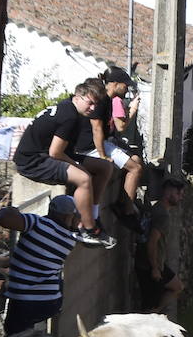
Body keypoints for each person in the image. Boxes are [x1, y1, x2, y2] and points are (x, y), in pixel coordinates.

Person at [11, 80, 116, 248]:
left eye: (95, 105)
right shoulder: (69, 116)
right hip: (33, 160)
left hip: (49, 154)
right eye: (90, 103)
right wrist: (79, 167)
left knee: (105, 167)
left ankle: (93, 216)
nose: (93, 108)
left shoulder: (71, 108)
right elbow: (55, 152)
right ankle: (88, 229)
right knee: (83, 178)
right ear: (77, 97)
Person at [0, 195, 81, 336]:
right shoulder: (70, 240)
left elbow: (4, 218)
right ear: (69, 216)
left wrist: (10, 211)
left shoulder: (37, 223)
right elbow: (33, 257)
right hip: (51, 302)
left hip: (26, 301)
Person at [96, 66, 145, 232]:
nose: (127, 89)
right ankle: (127, 210)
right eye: (125, 85)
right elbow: (119, 126)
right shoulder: (111, 100)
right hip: (100, 145)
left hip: (106, 142)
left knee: (136, 162)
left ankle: (125, 203)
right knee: (136, 168)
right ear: (115, 84)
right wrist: (133, 109)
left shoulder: (110, 99)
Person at [136, 178, 186, 313]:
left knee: (177, 286)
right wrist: (155, 268)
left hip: (152, 263)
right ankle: (153, 315)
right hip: (150, 265)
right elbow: (152, 242)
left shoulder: (156, 207)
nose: (181, 198)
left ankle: (156, 313)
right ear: (169, 193)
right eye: (179, 194)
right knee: (149, 307)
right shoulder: (162, 215)